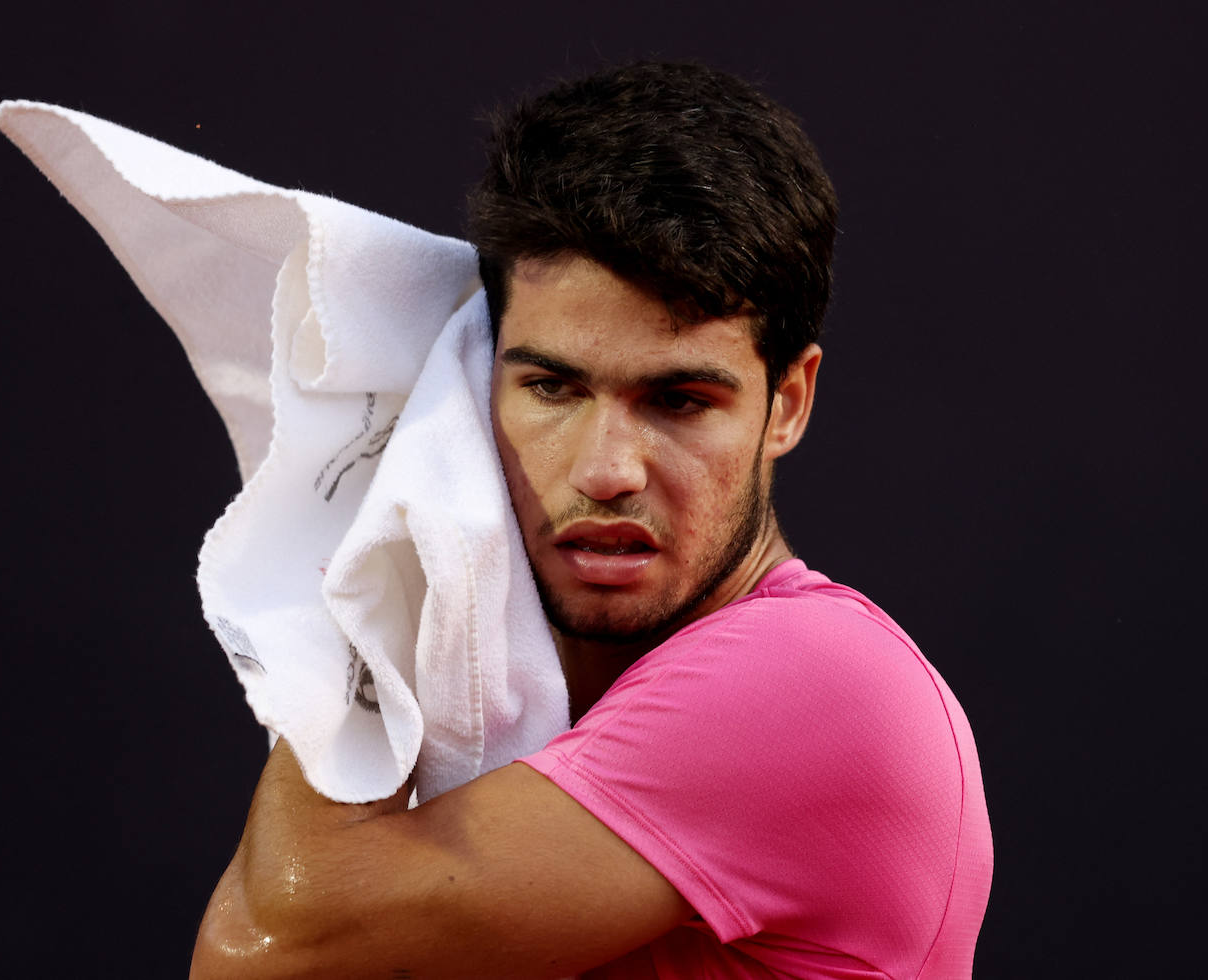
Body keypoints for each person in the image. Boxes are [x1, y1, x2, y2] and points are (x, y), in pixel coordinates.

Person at [190, 61, 992, 979]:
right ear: (475, 389)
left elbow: (269, 953)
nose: (606, 471)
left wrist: (384, 534)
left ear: (788, 403)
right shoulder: (522, 701)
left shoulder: (820, 684)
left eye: (680, 400)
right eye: (551, 388)